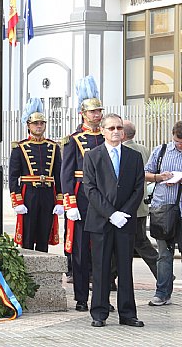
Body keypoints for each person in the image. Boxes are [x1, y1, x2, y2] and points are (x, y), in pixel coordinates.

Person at [83, 113, 145, 328]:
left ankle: (127, 313)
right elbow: (90, 189)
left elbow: (139, 188)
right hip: (101, 221)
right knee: (100, 269)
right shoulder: (92, 156)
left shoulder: (133, 156)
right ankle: (99, 313)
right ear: (102, 131)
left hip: (125, 221)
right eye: (111, 128)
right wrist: (111, 214)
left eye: (119, 127)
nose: (116, 131)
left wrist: (124, 213)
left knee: (125, 268)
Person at [61, 76, 105, 312]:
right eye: (93, 112)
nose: (97, 115)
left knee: (102, 249)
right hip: (81, 198)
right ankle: (80, 297)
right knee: (80, 250)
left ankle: (102, 297)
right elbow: (66, 174)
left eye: (99, 111)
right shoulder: (73, 140)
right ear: (83, 113)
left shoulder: (108, 137)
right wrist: (70, 203)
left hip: (103, 198)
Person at [9, 98, 63, 252]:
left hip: (48, 193)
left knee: (44, 233)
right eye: (35, 123)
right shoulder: (19, 148)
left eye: (42, 123)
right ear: (28, 125)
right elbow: (13, 177)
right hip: (29, 193)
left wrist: (60, 200)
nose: (39, 126)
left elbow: (58, 176)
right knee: (28, 234)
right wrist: (17, 201)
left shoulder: (53, 147)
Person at [144, 121, 182, 307]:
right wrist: (160, 177)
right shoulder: (161, 151)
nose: (180, 145)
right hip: (163, 209)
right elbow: (145, 174)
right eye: (177, 141)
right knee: (164, 254)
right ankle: (162, 293)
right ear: (172, 135)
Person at [121, 120, 158, 278]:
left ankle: (163, 273)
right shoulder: (143, 149)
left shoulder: (123, 151)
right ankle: (109, 278)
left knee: (140, 242)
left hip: (128, 206)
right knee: (128, 243)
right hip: (142, 204)